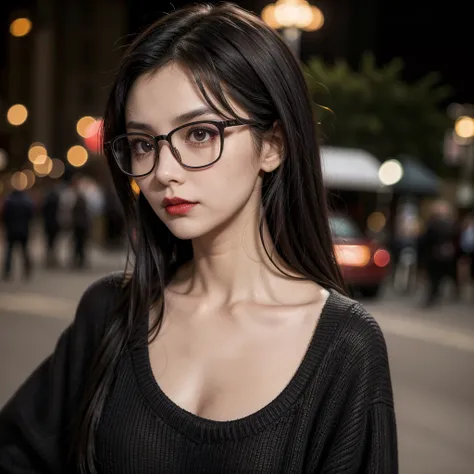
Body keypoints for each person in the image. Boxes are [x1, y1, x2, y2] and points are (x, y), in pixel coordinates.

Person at [0, 4, 398, 473]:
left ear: (272, 145)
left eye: (200, 134)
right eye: (144, 144)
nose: (164, 172)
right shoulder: (110, 313)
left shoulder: (345, 347)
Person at [418, 200, 458, 307]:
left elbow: (425, 240)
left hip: (434, 255)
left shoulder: (433, 224)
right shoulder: (451, 224)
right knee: (439, 277)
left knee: (434, 278)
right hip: (445, 255)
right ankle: (436, 295)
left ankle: (433, 296)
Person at [1, 188, 34, 280]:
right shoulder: (26, 201)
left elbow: (4, 216)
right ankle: (27, 270)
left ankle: (7, 271)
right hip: (23, 230)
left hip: (11, 230)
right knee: (24, 251)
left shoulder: (9, 202)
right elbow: (31, 215)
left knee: (9, 252)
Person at [41, 183, 62, 268]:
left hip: (48, 224)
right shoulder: (57, 200)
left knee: (48, 242)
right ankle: (53, 258)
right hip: (55, 223)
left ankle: (49, 258)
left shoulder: (46, 201)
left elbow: (43, 212)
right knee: (54, 242)